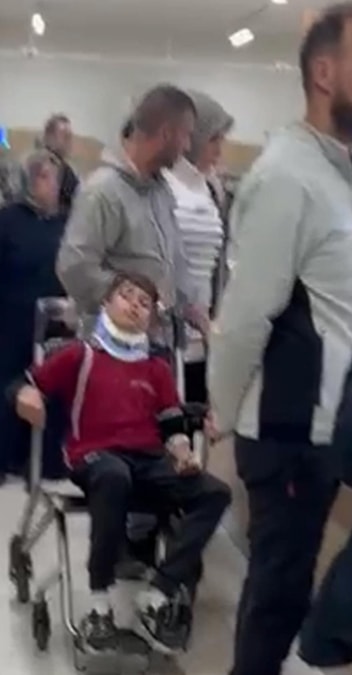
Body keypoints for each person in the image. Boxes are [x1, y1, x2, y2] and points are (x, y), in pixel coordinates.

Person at [207, 3, 352, 673]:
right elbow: (245, 316)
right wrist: (220, 413)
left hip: (320, 429)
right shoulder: (287, 176)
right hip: (289, 432)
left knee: (287, 595)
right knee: (276, 598)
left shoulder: (332, 172)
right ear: (324, 73)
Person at [9, 272, 230, 655]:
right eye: (127, 296)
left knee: (215, 493)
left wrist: (183, 455)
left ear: (151, 318)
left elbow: (171, 423)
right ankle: (99, 609)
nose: (135, 306)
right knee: (114, 475)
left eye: (145, 303)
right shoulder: (81, 355)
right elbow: (26, 382)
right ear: (107, 304)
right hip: (94, 455)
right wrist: (24, 395)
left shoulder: (156, 368)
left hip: (147, 460)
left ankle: (157, 595)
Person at [57, 84, 208, 339]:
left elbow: (174, 263)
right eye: (186, 135)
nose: (187, 146)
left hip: (154, 345)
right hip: (110, 347)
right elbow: (75, 267)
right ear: (166, 133)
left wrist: (193, 307)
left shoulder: (161, 192)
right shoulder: (104, 191)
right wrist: (132, 303)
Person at [0, 150, 69, 479]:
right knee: (8, 386)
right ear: (29, 181)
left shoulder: (63, 224)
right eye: (43, 177)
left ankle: (42, 461)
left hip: (53, 324)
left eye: (54, 178)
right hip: (11, 320)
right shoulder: (8, 220)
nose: (51, 185)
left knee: (49, 388)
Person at [164, 90, 234, 403]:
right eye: (213, 139)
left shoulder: (212, 190)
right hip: (163, 332)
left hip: (202, 336)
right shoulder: (162, 185)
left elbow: (217, 266)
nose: (219, 149)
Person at [42, 113, 80, 214]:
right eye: (65, 136)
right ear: (49, 137)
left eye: (70, 136)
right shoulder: (41, 164)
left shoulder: (66, 167)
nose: (69, 141)